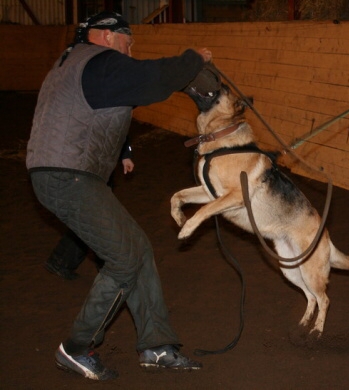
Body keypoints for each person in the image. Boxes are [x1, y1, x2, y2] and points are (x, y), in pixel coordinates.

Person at [26, 11, 213, 381]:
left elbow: (95, 107)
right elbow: (151, 79)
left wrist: (123, 150)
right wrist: (194, 59)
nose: (130, 50)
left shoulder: (78, 63)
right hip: (68, 176)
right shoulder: (101, 62)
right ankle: (77, 347)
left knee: (137, 248)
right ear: (109, 36)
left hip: (69, 173)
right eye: (128, 42)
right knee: (124, 257)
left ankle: (156, 344)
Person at [44, 138, 134, 280]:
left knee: (90, 218)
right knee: (92, 218)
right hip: (89, 169)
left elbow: (119, 131)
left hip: (99, 168)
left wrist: (125, 156)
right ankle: (99, 264)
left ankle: (62, 260)